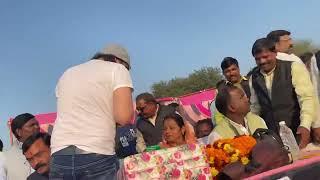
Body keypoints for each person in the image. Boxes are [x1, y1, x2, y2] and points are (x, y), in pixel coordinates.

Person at [50, 44, 134, 180]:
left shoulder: (68, 73)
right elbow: (123, 117)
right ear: (119, 61)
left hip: (59, 155)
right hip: (96, 154)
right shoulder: (117, 69)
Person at [249, 38, 315, 149]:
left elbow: (306, 98)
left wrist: (305, 125)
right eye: (258, 59)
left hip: (298, 132)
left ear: (275, 53)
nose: (262, 61)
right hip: (273, 138)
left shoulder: (293, 67)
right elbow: (255, 108)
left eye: (265, 57)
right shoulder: (254, 77)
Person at [4, 113, 40, 180]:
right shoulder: (5, 158)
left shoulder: (49, 150)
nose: (37, 127)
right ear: (19, 132)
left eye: (37, 124)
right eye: (32, 125)